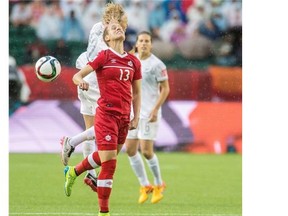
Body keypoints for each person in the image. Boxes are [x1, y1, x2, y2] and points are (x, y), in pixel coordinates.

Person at [63, 20, 142, 216]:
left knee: (107, 158)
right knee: (110, 163)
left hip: (124, 118)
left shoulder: (134, 61)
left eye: (120, 27)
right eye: (113, 28)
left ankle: (73, 172)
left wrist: (136, 117)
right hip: (106, 114)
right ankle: (104, 212)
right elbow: (77, 76)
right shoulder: (104, 56)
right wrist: (81, 82)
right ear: (106, 37)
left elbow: (137, 93)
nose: (118, 28)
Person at [60, 2, 128, 193]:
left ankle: (91, 174)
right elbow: (111, 57)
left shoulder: (97, 28)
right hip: (96, 83)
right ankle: (71, 142)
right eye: (118, 22)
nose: (121, 26)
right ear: (109, 20)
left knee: (92, 130)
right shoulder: (106, 40)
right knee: (103, 131)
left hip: (84, 78)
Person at [125, 31, 170, 204]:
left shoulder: (157, 64)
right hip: (132, 112)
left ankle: (159, 184)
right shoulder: (130, 60)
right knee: (130, 149)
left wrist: (155, 109)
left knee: (146, 151)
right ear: (136, 44)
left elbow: (165, 88)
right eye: (141, 41)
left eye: (147, 41)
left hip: (149, 112)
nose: (144, 43)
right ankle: (145, 185)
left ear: (151, 44)